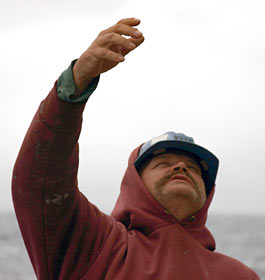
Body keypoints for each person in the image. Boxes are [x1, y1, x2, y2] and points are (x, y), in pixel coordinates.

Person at [12, 18, 260, 280]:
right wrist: (72, 88)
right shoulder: (92, 243)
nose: (181, 167)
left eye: (193, 168)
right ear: (136, 185)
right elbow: (39, 183)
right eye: (163, 163)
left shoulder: (240, 275)